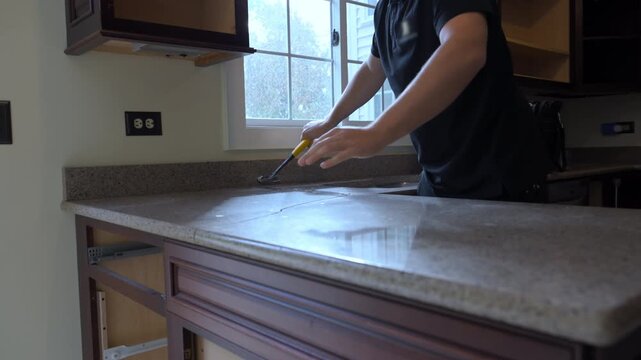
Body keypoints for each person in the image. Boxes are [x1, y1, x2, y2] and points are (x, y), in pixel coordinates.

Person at [297, 0, 550, 202]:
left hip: (499, 173)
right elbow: (373, 69)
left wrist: (377, 133)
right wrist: (330, 121)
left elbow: (466, 47)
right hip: (439, 178)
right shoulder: (386, 9)